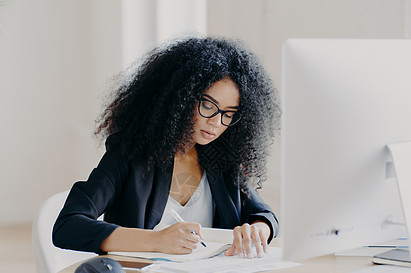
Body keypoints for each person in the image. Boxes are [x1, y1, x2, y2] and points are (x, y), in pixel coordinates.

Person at [53, 36, 280, 259]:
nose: (217, 122)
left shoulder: (221, 159)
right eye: (208, 106)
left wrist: (257, 230)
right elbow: (68, 225)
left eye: (229, 114)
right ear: (180, 97)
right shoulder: (130, 155)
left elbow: (264, 215)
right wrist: (156, 241)